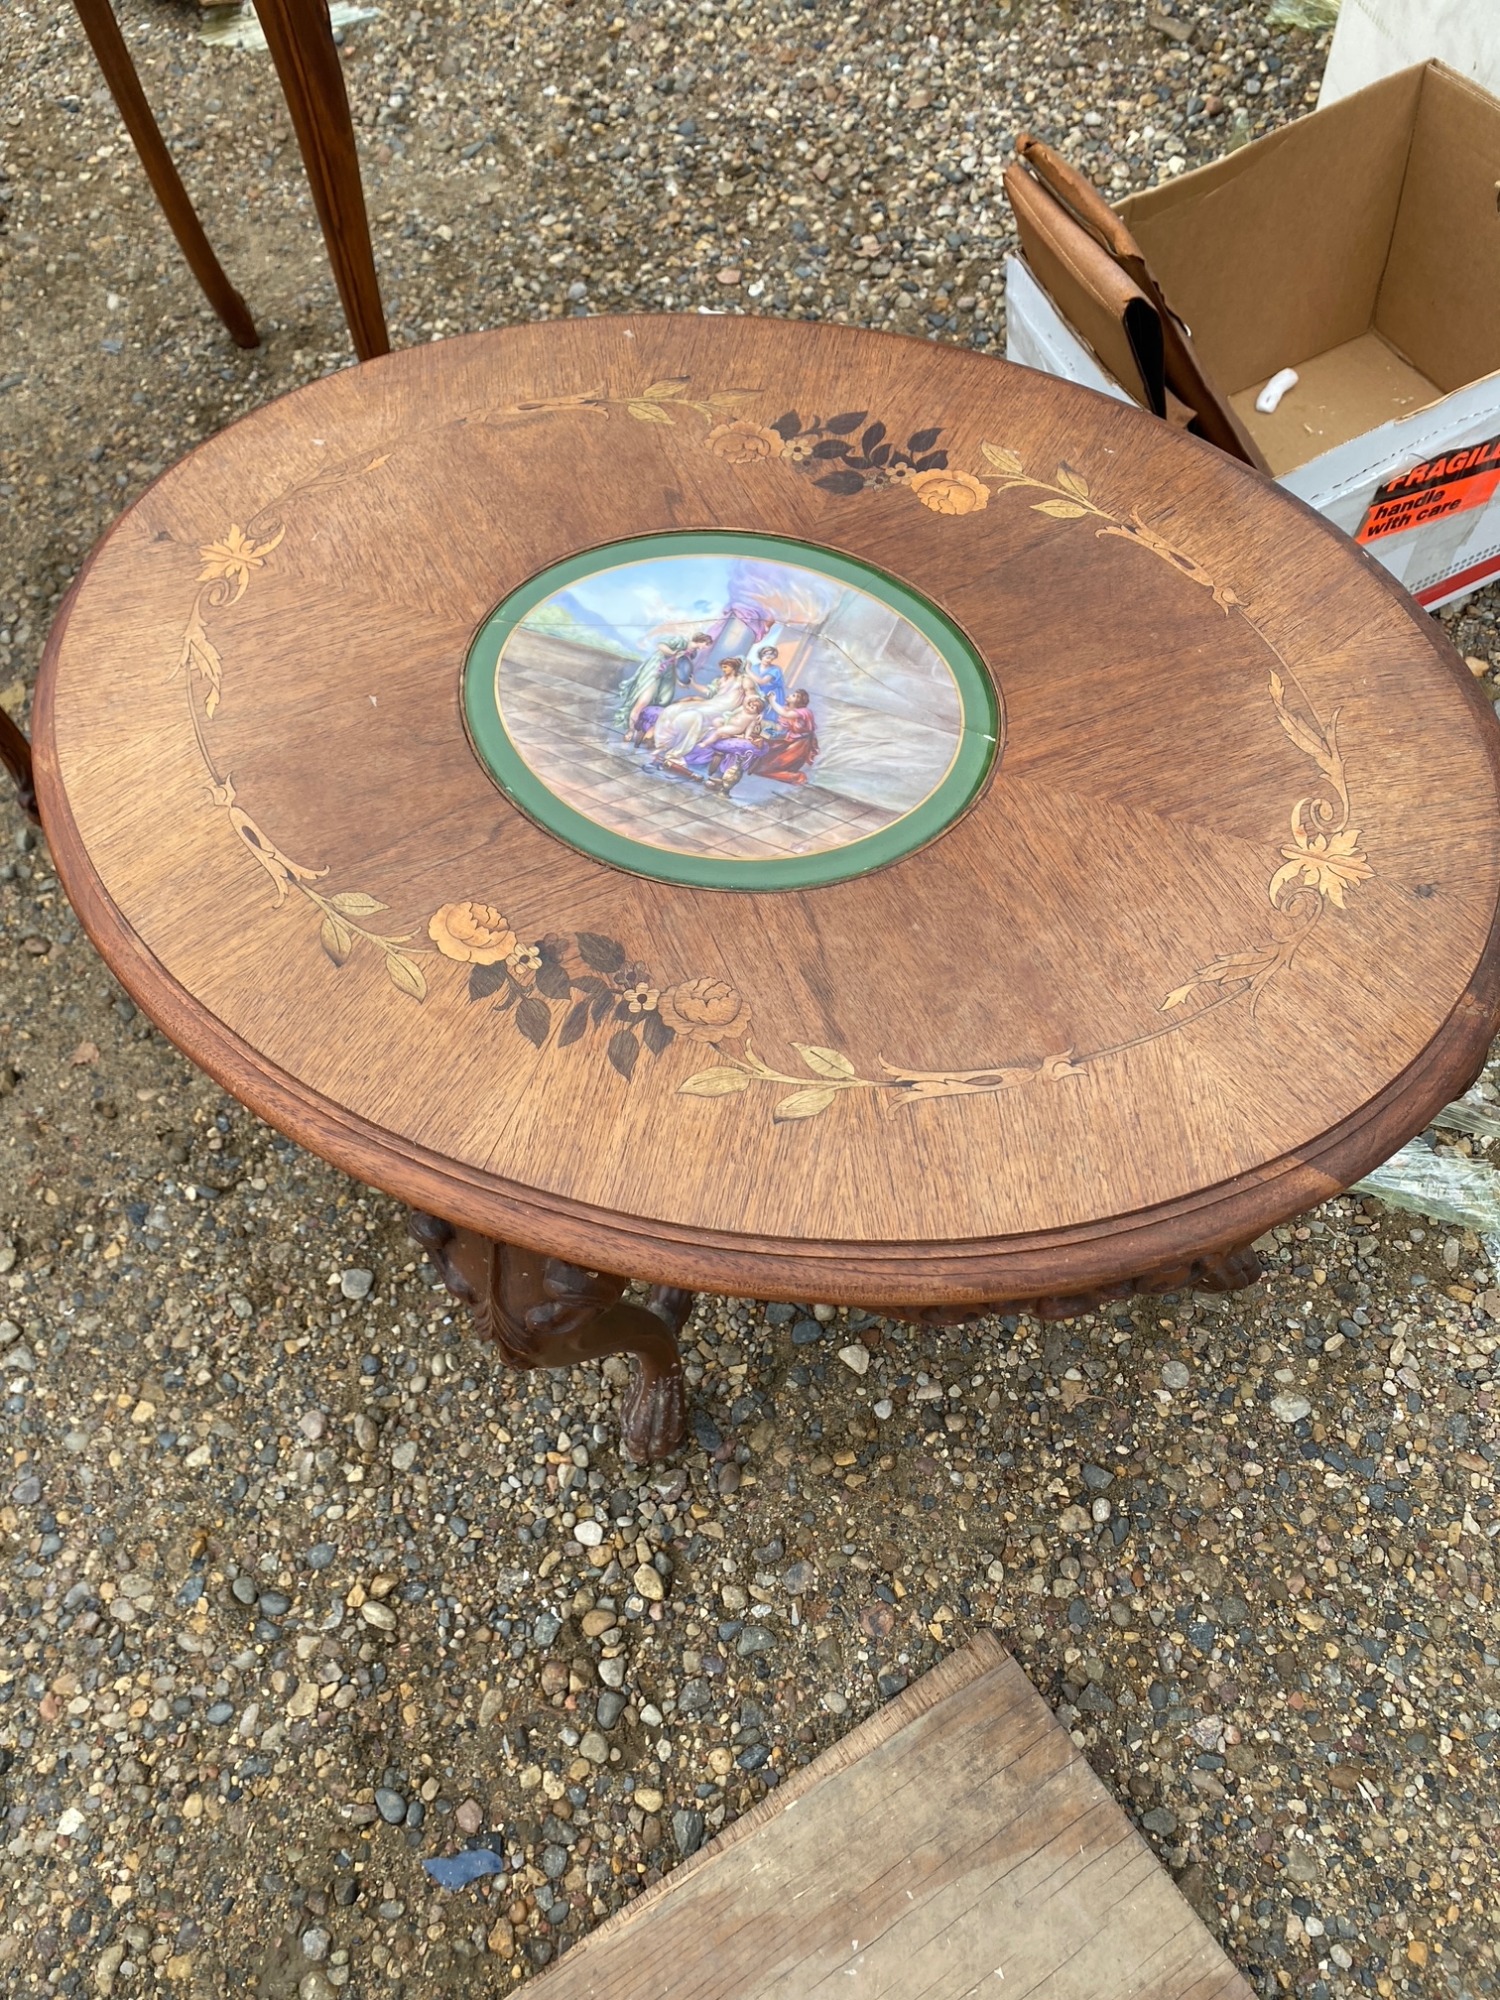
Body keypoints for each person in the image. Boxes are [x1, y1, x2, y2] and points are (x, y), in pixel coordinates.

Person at [651, 657, 750, 768]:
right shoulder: (721, 680)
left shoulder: (743, 680)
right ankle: (664, 745)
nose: (723, 670)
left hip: (724, 709)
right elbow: (708, 692)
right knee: (672, 710)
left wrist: (746, 710)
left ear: (733, 667)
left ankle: (677, 752)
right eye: (722, 667)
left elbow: (752, 696)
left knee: (693, 715)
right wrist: (693, 683)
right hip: (712, 704)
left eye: (725, 667)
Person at [751, 687, 817, 783]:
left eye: (794, 696)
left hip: (797, 743)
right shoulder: (788, 708)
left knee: (768, 765)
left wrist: (772, 701)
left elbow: (785, 714)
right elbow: (781, 725)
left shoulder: (804, 712)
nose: (790, 695)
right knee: (756, 727)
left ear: (799, 700)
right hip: (784, 735)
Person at [746, 643, 789, 710]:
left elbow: (762, 682)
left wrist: (747, 670)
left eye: (772, 659)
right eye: (768, 658)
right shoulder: (754, 667)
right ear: (761, 656)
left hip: (772, 696)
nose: (769, 660)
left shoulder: (775, 670)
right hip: (758, 693)